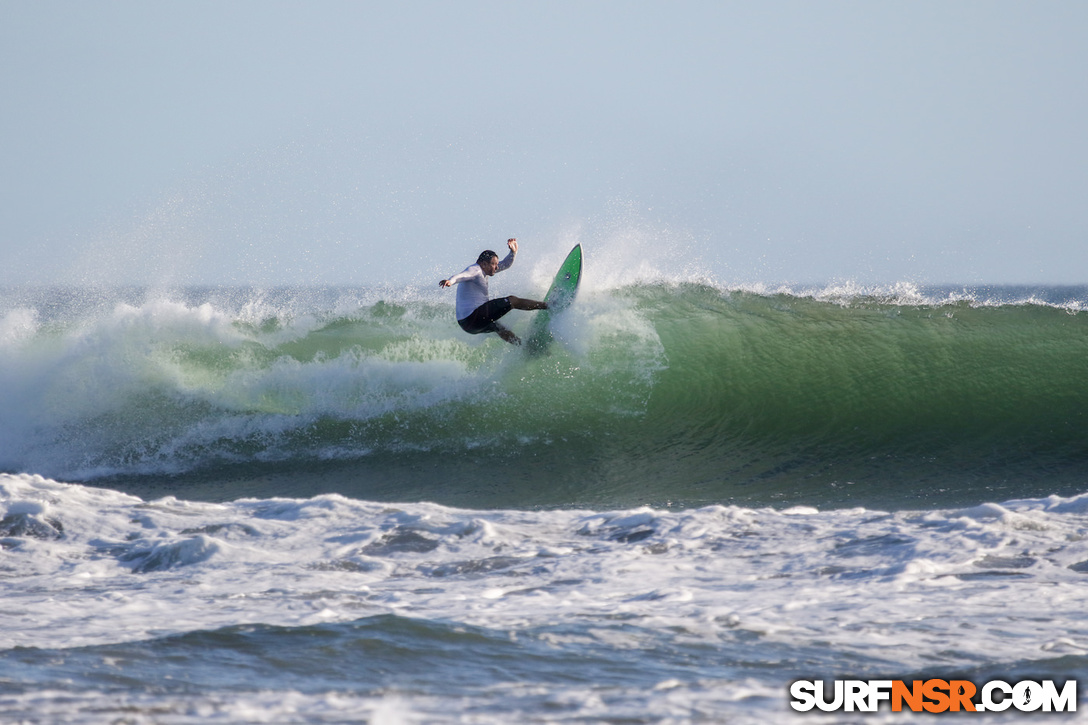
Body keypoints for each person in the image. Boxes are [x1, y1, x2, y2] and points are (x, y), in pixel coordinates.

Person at [439, 238, 547, 345]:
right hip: (473, 317)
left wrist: (513, 252)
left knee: (498, 327)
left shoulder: (485, 270)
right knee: (512, 301)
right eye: (494, 264)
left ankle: (522, 346)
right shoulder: (475, 270)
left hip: (467, 325)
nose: (496, 267)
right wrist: (450, 281)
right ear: (484, 264)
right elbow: (461, 276)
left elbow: (506, 264)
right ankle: (547, 305)